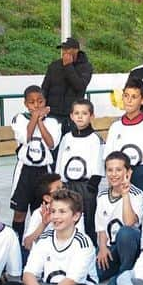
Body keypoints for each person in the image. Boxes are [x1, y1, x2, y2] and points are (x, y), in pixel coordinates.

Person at [0, 188, 99, 285]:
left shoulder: (83, 243)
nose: (56, 216)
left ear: (76, 216)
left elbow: (71, 281)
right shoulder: (44, 238)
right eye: (53, 211)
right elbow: (28, 274)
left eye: (62, 212)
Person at [9, 85, 61, 241]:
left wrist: (40, 121)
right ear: (25, 104)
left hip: (44, 171)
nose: (36, 105)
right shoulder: (19, 118)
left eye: (40, 101)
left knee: (43, 210)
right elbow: (26, 137)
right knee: (20, 212)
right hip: (25, 171)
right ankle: (17, 244)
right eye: (32, 102)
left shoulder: (53, 121)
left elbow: (51, 143)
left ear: (45, 101)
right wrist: (35, 117)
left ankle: (39, 242)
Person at [54, 98, 104, 242]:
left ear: (91, 116)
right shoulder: (66, 138)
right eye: (76, 113)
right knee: (68, 219)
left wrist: (91, 187)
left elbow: (98, 164)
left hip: (86, 186)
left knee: (87, 221)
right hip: (68, 185)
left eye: (84, 113)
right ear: (71, 116)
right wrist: (60, 183)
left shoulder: (95, 139)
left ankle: (90, 248)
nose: (80, 117)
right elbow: (60, 162)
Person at [104, 78, 143, 201]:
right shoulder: (115, 126)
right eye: (126, 96)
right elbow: (108, 157)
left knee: (140, 211)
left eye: (134, 97)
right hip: (119, 173)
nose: (129, 100)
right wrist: (111, 184)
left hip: (142, 173)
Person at [95, 152, 143, 281]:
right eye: (110, 170)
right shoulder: (101, 196)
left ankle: (124, 273)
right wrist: (102, 248)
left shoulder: (137, 194)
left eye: (118, 170)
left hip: (129, 245)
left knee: (125, 232)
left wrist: (125, 194)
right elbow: (101, 227)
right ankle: (117, 269)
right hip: (111, 247)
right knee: (97, 273)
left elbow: (129, 223)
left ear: (128, 172)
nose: (113, 174)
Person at [41, 36, 94, 132]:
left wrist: (68, 67)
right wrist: (43, 107)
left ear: (76, 50)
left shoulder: (86, 67)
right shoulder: (54, 66)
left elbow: (80, 86)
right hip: (53, 114)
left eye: (67, 49)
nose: (64, 52)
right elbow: (45, 87)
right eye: (63, 49)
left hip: (73, 115)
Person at [22, 172, 84, 252]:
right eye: (58, 189)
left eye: (64, 187)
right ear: (47, 198)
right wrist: (44, 224)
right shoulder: (39, 213)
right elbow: (27, 245)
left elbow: (78, 244)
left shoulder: (74, 211)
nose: (63, 191)